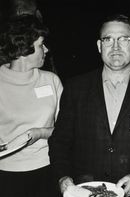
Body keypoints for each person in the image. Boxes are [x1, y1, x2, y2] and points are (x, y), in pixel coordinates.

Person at [48, 14, 130, 197]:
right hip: (84, 190)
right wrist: (63, 178)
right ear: (99, 46)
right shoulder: (76, 88)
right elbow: (59, 142)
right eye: (108, 39)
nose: (115, 47)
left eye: (123, 39)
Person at [0, 15, 63, 197]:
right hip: (6, 174)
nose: (46, 49)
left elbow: (66, 129)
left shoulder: (51, 80)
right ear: (22, 49)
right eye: (41, 45)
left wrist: (41, 133)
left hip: (48, 168)